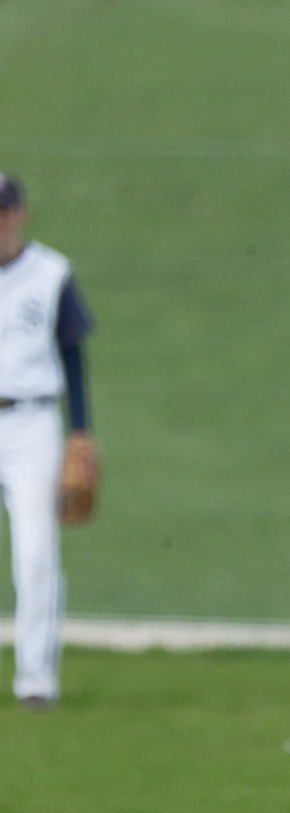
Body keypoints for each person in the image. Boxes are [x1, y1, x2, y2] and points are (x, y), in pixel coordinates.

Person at [0, 170, 99, 710]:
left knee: (36, 553)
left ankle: (35, 681)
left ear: (19, 213)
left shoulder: (50, 273)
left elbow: (72, 355)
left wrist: (80, 432)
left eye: (2, 211)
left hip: (32, 422)